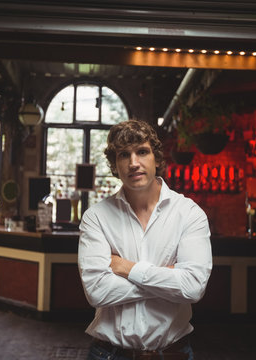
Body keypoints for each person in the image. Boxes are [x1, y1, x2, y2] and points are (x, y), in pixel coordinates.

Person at [78, 120, 213, 360]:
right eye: (123, 155)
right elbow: (97, 292)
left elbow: (193, 287)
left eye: (142, 151)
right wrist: (168, 279)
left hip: (173, 353)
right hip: (108, 354)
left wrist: (126, 268)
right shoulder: (96, 217)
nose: (133, 163)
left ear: (157, 158)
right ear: (115, 164)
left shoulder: (189, 213)